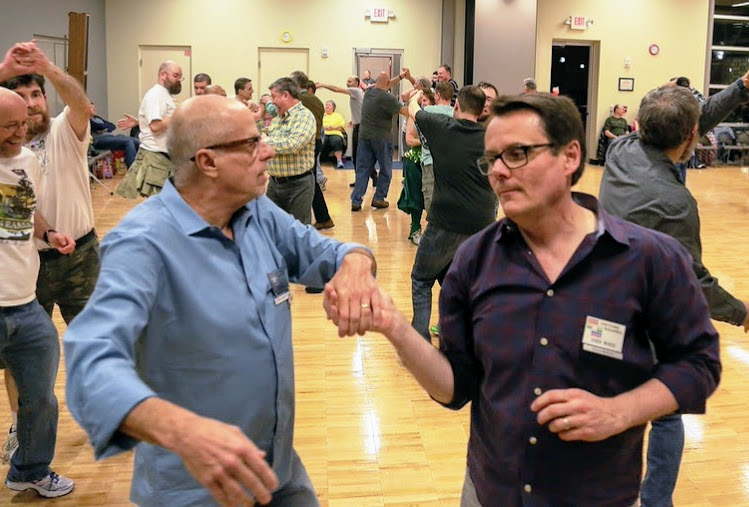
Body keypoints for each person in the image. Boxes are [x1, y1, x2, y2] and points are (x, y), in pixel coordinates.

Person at [327, 92, 721, 506]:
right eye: (491, 158)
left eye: (516, 154)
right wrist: (395, 328)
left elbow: (699, 363)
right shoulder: (474, 262)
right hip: (490, 492)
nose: (497, 172)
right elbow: (455, 388)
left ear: (570, 156)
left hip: (596, 495)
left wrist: (620, 412)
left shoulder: (649, 259)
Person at [64, 94, 381, 507]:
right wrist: (182, 431)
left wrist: (356, 264)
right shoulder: (142, 243)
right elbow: (91, 361)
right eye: (251, 144)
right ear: (207, 162)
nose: (266, 150)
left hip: (277, 471)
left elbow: (324, 252)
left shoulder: (255, 213)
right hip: (199, 489)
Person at [600, 79, 749, 507]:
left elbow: (689, 125)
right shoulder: (676, 205)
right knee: (666, 414)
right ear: (689, 138)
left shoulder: (619, 151)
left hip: (601, 308)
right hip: (647, 319)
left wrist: (739, 88)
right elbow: (693, 283)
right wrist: (741, 312)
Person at [0, 86, 76, 498]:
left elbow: (26, 207)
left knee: (40, 399)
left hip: (24, 303)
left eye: (22, 124)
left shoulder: (27, 159)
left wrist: (49, 232)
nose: (19, 132)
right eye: (8, 125)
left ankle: (28, 469)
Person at [408, 86, 497, 341]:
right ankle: (461, 337)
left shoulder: (441, 127)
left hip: (445, 221)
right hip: (482, 223)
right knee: (458, 282)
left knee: (421, 279)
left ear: (456, 106)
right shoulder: (492, 138)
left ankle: (419, 341)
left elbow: (414, 110)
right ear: (482, 112)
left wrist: (415, 94)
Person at [116, 60, 182, 198]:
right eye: (176, 76)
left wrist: (139, 122)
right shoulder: (156, 95)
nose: (179, 80)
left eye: (180, 76)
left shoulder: (165, 95)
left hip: (163, 157)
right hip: (155, 157)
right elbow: (156, 126)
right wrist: (180, 114)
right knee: (160, 206)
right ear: (163, 75)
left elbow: (156, 122)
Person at [350, 71, 408, 211]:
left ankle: (356, 201)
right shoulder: (389, 98)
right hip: (382, 139)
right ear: (387, 85)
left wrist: (400, 77)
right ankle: (379, 198)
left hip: (364, 137)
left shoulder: (369, 92)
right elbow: (404, 112)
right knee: (386, 169)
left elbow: (385, 84)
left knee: (363, 169)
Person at [263, 77, 316, 224]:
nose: (272, 101)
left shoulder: (304, 116)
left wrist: (265, 142)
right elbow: (270, 137)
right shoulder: (278, 118)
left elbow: (293, 144)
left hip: (297, 185)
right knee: (270, 227)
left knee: (298, 233)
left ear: (286, 95)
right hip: (274, 184)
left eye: (274, 96)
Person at [89, 101, 141, 168]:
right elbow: (97, 126)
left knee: (137, 141)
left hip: (110, 137)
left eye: (94, 108)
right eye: (92, 108)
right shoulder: (87, 119)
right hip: (98, 140)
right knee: (128, 142)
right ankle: (132, 172)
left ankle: (140, 169)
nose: (94, 109)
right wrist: (104, 127)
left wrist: (104, 128)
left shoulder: (97, 118)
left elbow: (112, 126)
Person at [321, 100, 346, 168]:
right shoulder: (322, 115)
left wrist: (331, 127)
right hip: (324, 133)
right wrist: (327, 127)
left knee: (337, 140)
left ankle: (339, 161)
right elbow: (320, 125)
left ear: (333, 108)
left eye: (329, 105)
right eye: (326, 105)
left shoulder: (338, 115)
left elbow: (341, 126)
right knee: (321, 141)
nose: (327, 106)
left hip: (336, 133)